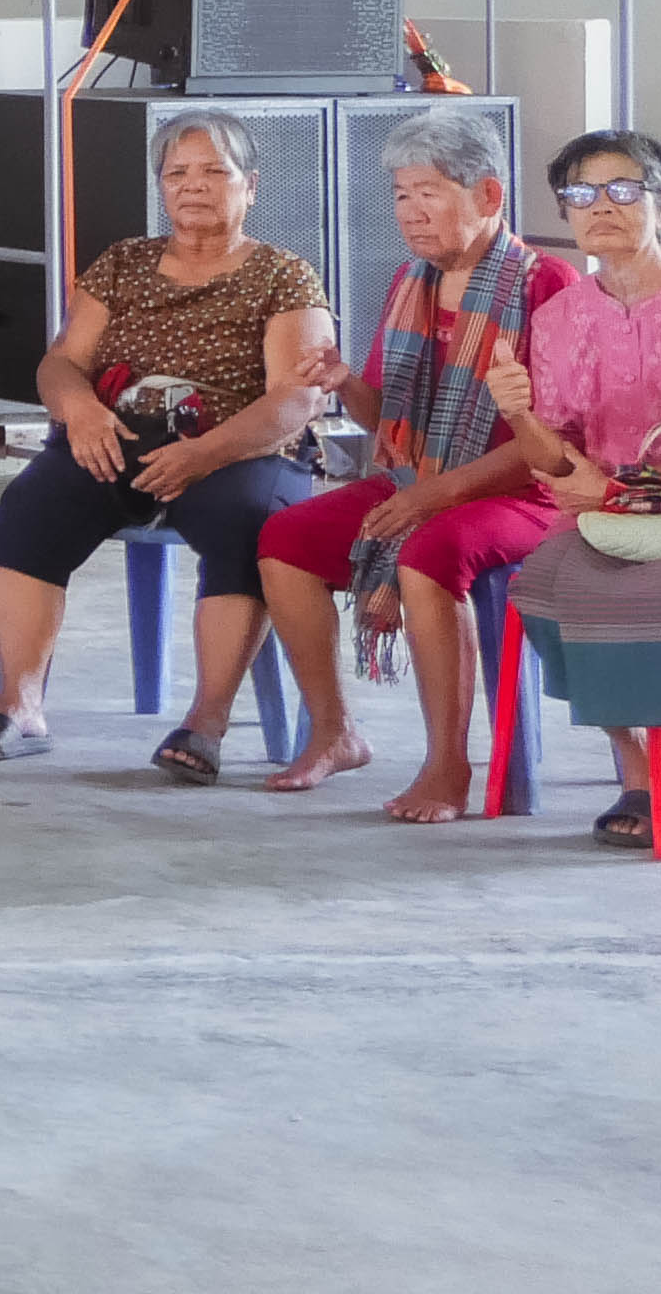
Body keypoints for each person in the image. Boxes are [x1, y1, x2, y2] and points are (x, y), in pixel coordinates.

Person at [0, 110, 333, 772]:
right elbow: (61, 361)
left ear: (250, 186)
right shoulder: (123, 262)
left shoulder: (284, 274)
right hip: (117, 437)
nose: (194, 185)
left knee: (246, 523)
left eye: (214, 171)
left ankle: (205, 723)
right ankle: (19, 704)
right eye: (177, 173)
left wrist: (205, 452)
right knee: (30, 505)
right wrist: (80, 409)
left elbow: (295, 399)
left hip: (237, 449)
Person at [258, 103, 579, 815]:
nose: (409, 212)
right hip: (419, 477)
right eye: (401, 194)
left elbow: (554, 444)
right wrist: (344, 382)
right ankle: (335, 731)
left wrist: (437, 495)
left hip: (528, 493)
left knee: (430, 549)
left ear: (488, 194)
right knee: (285, 540)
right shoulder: (412, 282)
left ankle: (447, 765)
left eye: (429, 191)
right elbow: (387, 419)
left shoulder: (546, 284)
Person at [492, 130, 661, 847]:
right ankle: (640, 771)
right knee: (550, 581)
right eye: (581, 193)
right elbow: (555, 453)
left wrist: (638, 485)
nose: (602, 206)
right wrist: (518, 414)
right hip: (600, 510)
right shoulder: (558, 318)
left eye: (624, 189)